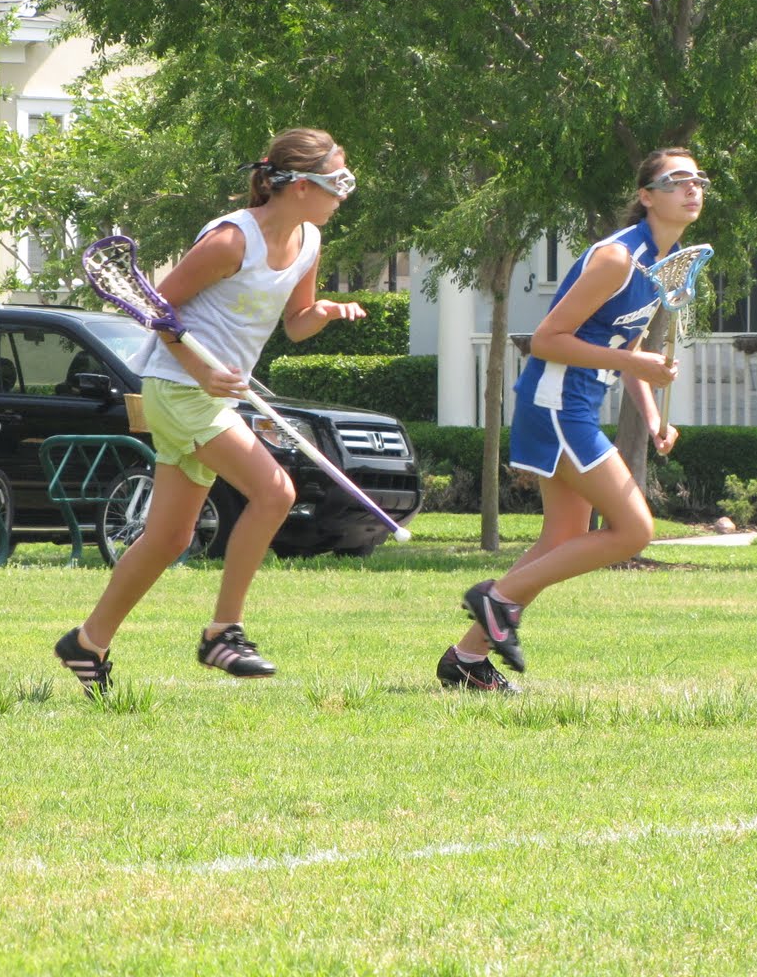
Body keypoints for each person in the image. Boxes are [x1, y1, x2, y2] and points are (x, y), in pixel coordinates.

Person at [55, 127, 367, 695]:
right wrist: (202, 370)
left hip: (211, 394)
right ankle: (223, 633)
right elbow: (158, 312)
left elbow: (295, 324)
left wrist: (324, 311)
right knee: (276, 492)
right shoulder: (229, 241)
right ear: (298, 185)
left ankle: (87, 642)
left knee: (170, 538)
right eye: (337, 181)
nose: (343, 194)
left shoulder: (309, 242)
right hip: (178, 388)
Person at [436, 148, 708, 692]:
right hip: (556, 406)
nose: (692, 188)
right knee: (633, 531)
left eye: (698, 179)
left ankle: (465, 661)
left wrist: (653, 416)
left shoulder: (660, 265)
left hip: (573, 406)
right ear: (645, 195)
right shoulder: (616, 258)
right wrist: (634, 362)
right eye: (676, 180)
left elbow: (624, 344)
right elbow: (547, 339)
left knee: (562, 537)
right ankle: (497, 599)